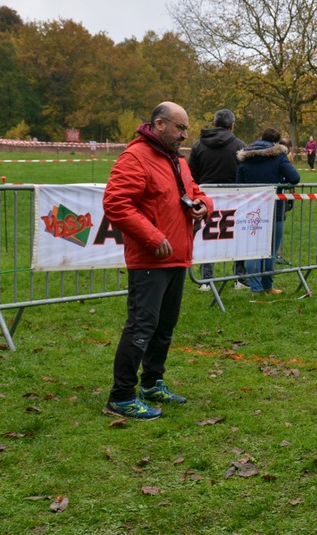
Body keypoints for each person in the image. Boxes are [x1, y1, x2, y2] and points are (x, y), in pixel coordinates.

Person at [102, 102, 213, 420]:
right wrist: (152, 237)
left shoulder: (176, 159)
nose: (185, 135)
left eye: (186, 128)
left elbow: (195, 191)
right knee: (141, 328)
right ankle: (122, 396)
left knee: (164, 327)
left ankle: (152, 383)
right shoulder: (135, 157)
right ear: (160, 124)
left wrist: (204, 205)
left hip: (177, 257)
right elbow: (116, 203)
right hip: (150, 259)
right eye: (181, 128)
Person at [235, 127, 301, 296]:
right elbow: (294, 178)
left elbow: (238, 184)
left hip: (251, 209)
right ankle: (268, 286)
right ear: (276, 142)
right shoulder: (279, 156)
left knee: (252, 249)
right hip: (274, 208)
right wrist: (281, 180)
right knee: (271, 249)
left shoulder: (246, 157)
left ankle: (255, 288)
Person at [188, 108, 247, 290]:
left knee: (207, 236)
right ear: (232, 125)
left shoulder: (198, 145)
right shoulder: (240, 146)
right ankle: (239, 277)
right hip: (234, 199)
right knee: (238, 236)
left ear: (213, 124)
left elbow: (191, 174)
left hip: (205, 199)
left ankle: (206, 280)